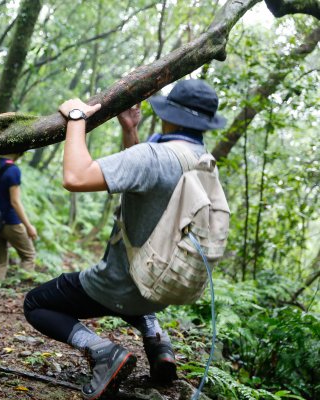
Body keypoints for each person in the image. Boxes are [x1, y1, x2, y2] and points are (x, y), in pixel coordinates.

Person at [23, 79, 227, 399]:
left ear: (168, 113)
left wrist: (77, 118)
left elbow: (76, 176)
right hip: (160, 287)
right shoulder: (203, 161)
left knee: (36, 303)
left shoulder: (154, 156)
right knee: (131, 294)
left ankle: (103, 352)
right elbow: (143, 185)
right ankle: (157, 340)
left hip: (120, 285)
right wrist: (130, 131)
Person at [0, 153, 38, 281]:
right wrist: (29, 226)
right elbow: (15, 202)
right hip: (10, 222)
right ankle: (22, 287)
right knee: (28, 255)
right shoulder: (13, 170)